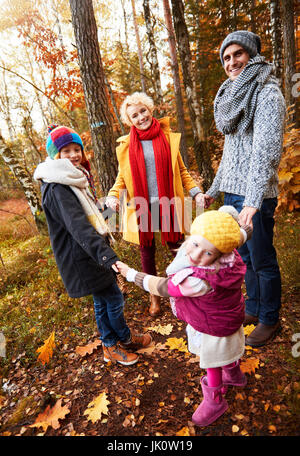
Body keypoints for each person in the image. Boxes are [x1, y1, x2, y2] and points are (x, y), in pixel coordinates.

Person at [115, 207, 252, 426]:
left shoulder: (199, 280)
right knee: (227, 350)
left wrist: (130, 274)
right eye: (195, 244)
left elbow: (161, 286)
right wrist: (245, 228)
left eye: (207, 253)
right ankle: (234, 375)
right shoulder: (230, 252)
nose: (196, 255)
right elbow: (241, 235)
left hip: (212, 325)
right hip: (230, 315)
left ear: (219, 253)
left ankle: (215, 401)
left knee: (212, 362)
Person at [34, 124, 152, 366]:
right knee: (113, 298)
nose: (74, 154)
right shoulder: (57, 187)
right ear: (55, 155)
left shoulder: (74, 179)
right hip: (83, 256)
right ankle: (113, 344)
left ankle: (121, 338)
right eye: (66, 150)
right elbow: (79, 227)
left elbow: (90, 216)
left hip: (90, 252)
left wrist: (109, 209)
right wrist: (109, 257)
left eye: (77, 149)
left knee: (104, 300)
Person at [198, 30, 286, 347]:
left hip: (256, 196)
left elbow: (266, 152)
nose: (232, 61)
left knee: (262, 259)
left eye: (238, 54)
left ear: (252, 55)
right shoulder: (233, 98)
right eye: (226, 57)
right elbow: (231, 157)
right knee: (245, 258)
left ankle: (269, 318)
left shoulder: (267, 95)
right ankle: (253, 308)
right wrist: (214, 188)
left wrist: (253, 200)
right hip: (234, 195)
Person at [106, 92, 203, 317]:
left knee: (178, 248)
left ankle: (185, 288)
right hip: (142, 205)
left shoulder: (168, 138)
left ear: (151, 110)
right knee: (146, 251)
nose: (141, 117)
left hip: (169, 202)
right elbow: (121, 178)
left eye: (143, 111)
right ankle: (154, 296)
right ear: (129, 121)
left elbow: (182, 171)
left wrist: (197, 192)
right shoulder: (126, 146)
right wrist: (112, 195)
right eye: (135, 115)